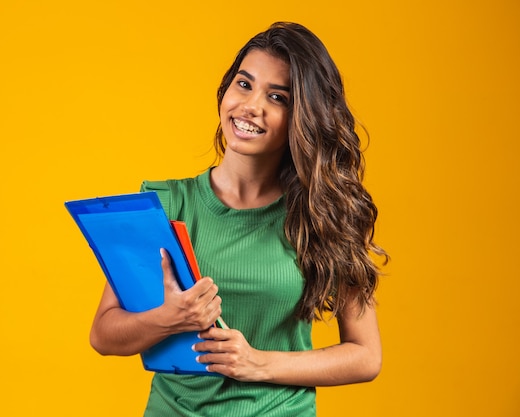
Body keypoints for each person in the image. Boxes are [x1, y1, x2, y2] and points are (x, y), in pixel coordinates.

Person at [89, 21, 388, 416]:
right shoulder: (166, 204)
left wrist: (258, 363)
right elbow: (104, 334)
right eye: (244, 85)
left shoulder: (320, 214)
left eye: (277, 97)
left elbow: (366, 356)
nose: (251, 106)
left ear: (304, 117)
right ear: (226, 90)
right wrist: (170, 317)